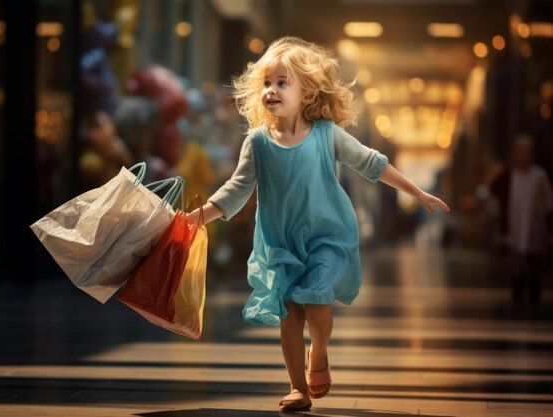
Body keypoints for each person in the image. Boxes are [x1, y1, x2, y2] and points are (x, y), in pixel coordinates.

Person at [187, 36, 450, 411]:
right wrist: (197, 219)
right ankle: (298, 388)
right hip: (280, 243)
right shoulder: (258, 143)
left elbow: (372, 163)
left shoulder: (327, 135)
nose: (271, 90)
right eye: (266, 83)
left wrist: (416, 192)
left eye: (282, 82)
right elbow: (236, 190)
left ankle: (320, 351)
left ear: (307, 93)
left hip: (328, 237)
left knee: (318, 311)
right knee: (290, 316)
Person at [490, 134, 553, 304]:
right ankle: (517, 295)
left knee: (535, 266)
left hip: (536, 227)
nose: (523, 156)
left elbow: (548, 203)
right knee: (516, 265)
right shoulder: (508, 175)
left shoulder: (539, 176)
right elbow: (494, 190)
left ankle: (534, 295)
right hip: (513, 228)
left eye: (527, 152)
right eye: (519, 151)